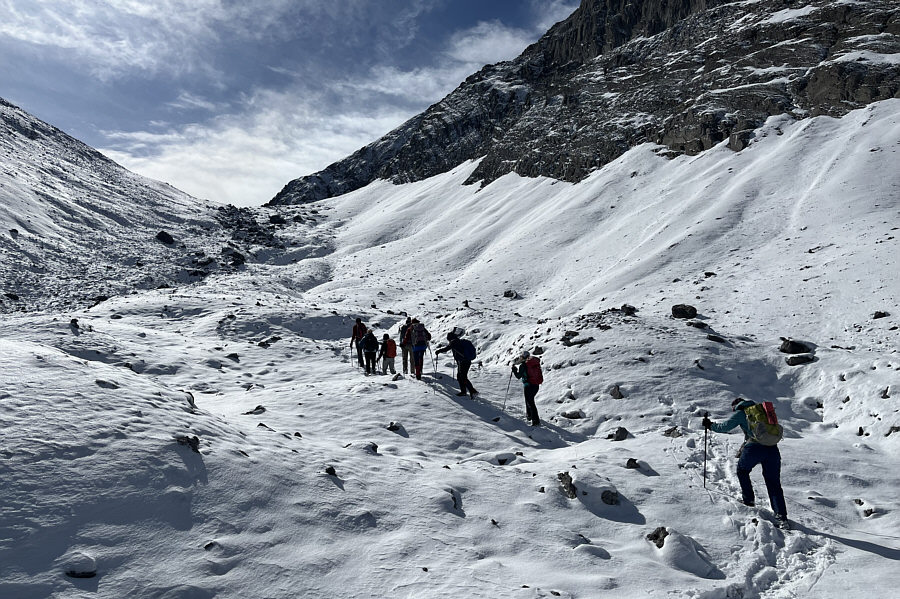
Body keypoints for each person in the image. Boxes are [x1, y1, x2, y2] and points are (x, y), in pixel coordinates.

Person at [703, 398, 789, 528]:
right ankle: (781, 518)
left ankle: (748, 500)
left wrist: (710, 425)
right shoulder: (762, 411)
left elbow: (725, 427)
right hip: (772, 449)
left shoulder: (742, 413)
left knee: (742, 471)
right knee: (773, 483)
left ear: (736, 406)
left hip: (754, 448)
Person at [435, 332, 478, 397]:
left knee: (462, 377)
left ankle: (471, 391)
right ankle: (464, 391)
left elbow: (446, 349)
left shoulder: (454, 342)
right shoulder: (460, 341)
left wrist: (438, 351)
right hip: (467, 361)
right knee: (461, 376)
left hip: (462, 362)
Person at [512, 351, 542, 426]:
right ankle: (529, 416)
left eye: (521, 357)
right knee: (529, 401)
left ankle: (535, 421)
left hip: (528, 386)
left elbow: (518, 376)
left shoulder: (523, 366)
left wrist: (514, 370)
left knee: (530, 402)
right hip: (536, 385)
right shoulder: (533, 364)